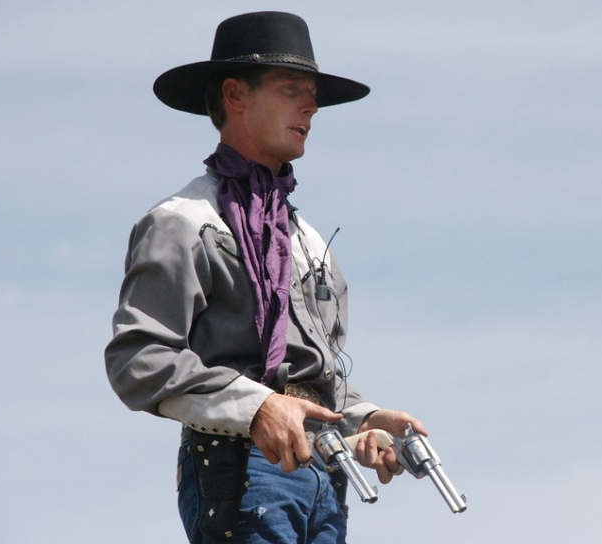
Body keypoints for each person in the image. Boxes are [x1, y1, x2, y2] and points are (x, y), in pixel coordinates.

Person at [105, 12, 426, 544]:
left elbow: (318, 382)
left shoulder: (310, 243)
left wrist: (363, 421)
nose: (311, 107)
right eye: (291, 89)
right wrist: (257, 407)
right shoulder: (184, 221)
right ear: (235, 94)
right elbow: (139, 358)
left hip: (325, 476)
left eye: (313, 96)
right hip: (240, 467)